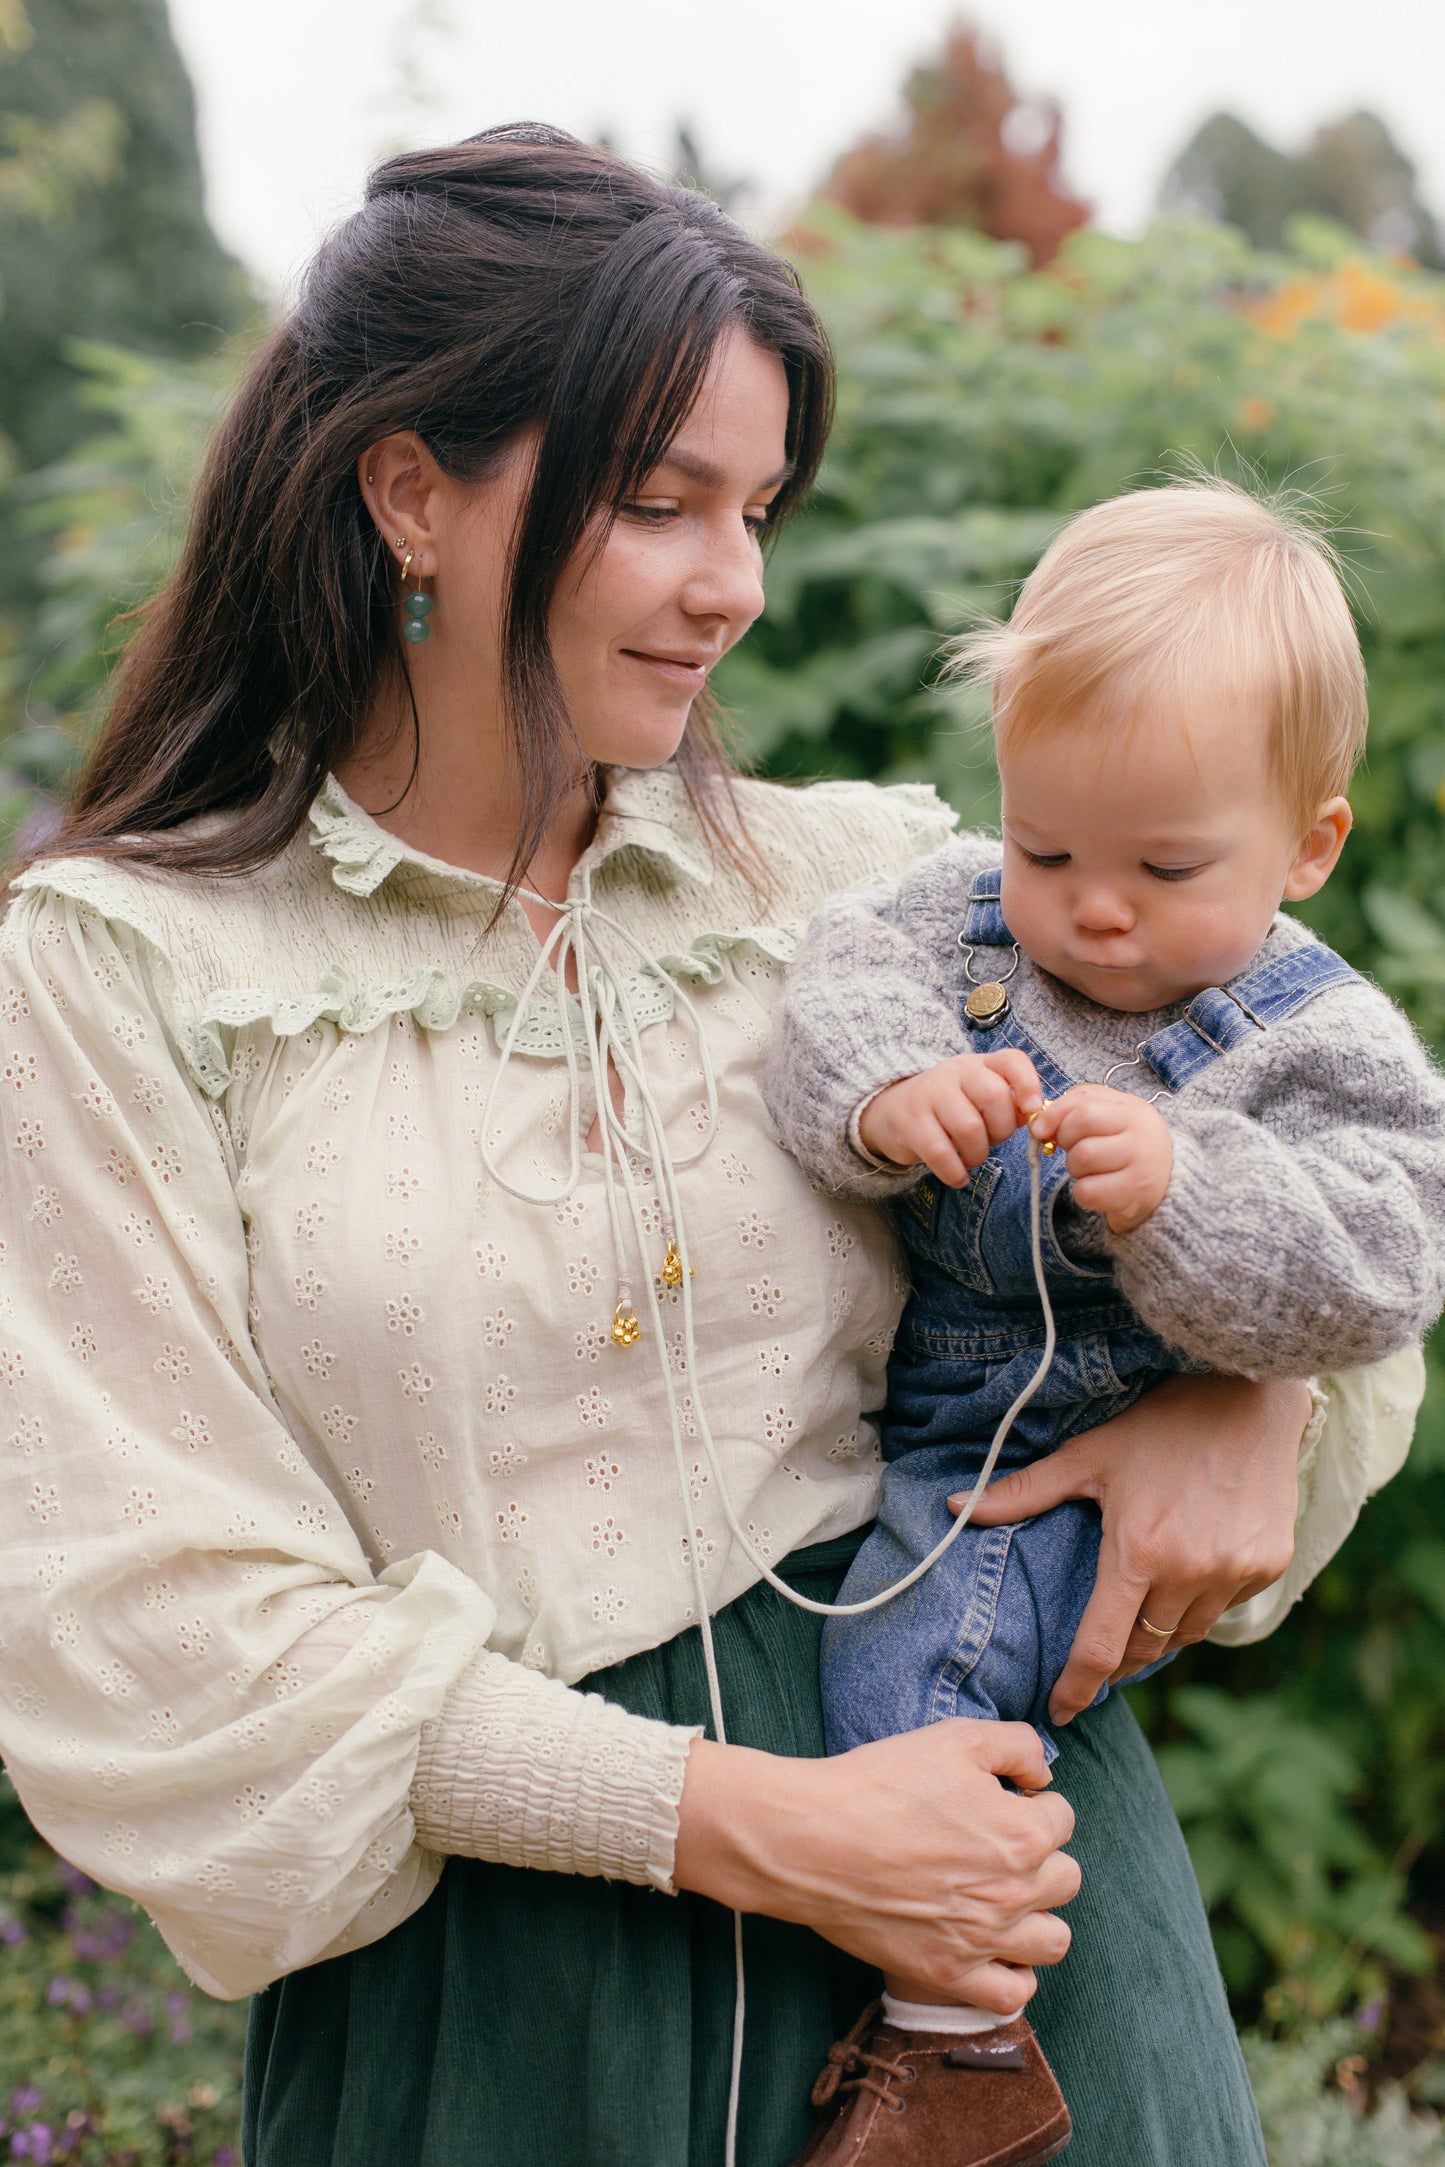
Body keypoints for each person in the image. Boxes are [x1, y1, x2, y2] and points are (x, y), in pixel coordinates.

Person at [0, 130, 1419, 2167]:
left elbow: (1352, 1168)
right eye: (658, 503)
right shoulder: (128, 970)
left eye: (754, 508)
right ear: (411, 487)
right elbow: (143, 1619)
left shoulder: (882, 894)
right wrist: (756, 1824)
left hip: (1016, 1951)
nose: (734, 582)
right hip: (510, 2022)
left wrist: (1254, 1413)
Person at [762, 479, 1445, 2165]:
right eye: (1045, 846)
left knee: (923, 1667)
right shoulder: (961, 923)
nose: (1093, 908)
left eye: (1161, 865)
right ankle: (945, 2010)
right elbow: (834, 986)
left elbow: (1384, 1258)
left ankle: (952, 2048)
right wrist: (885, 1095)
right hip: (940, 1409)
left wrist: (1182, 1190)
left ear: (1307, 845)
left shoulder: (1313, 1039)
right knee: (910, 1670)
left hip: (1078, 1450)